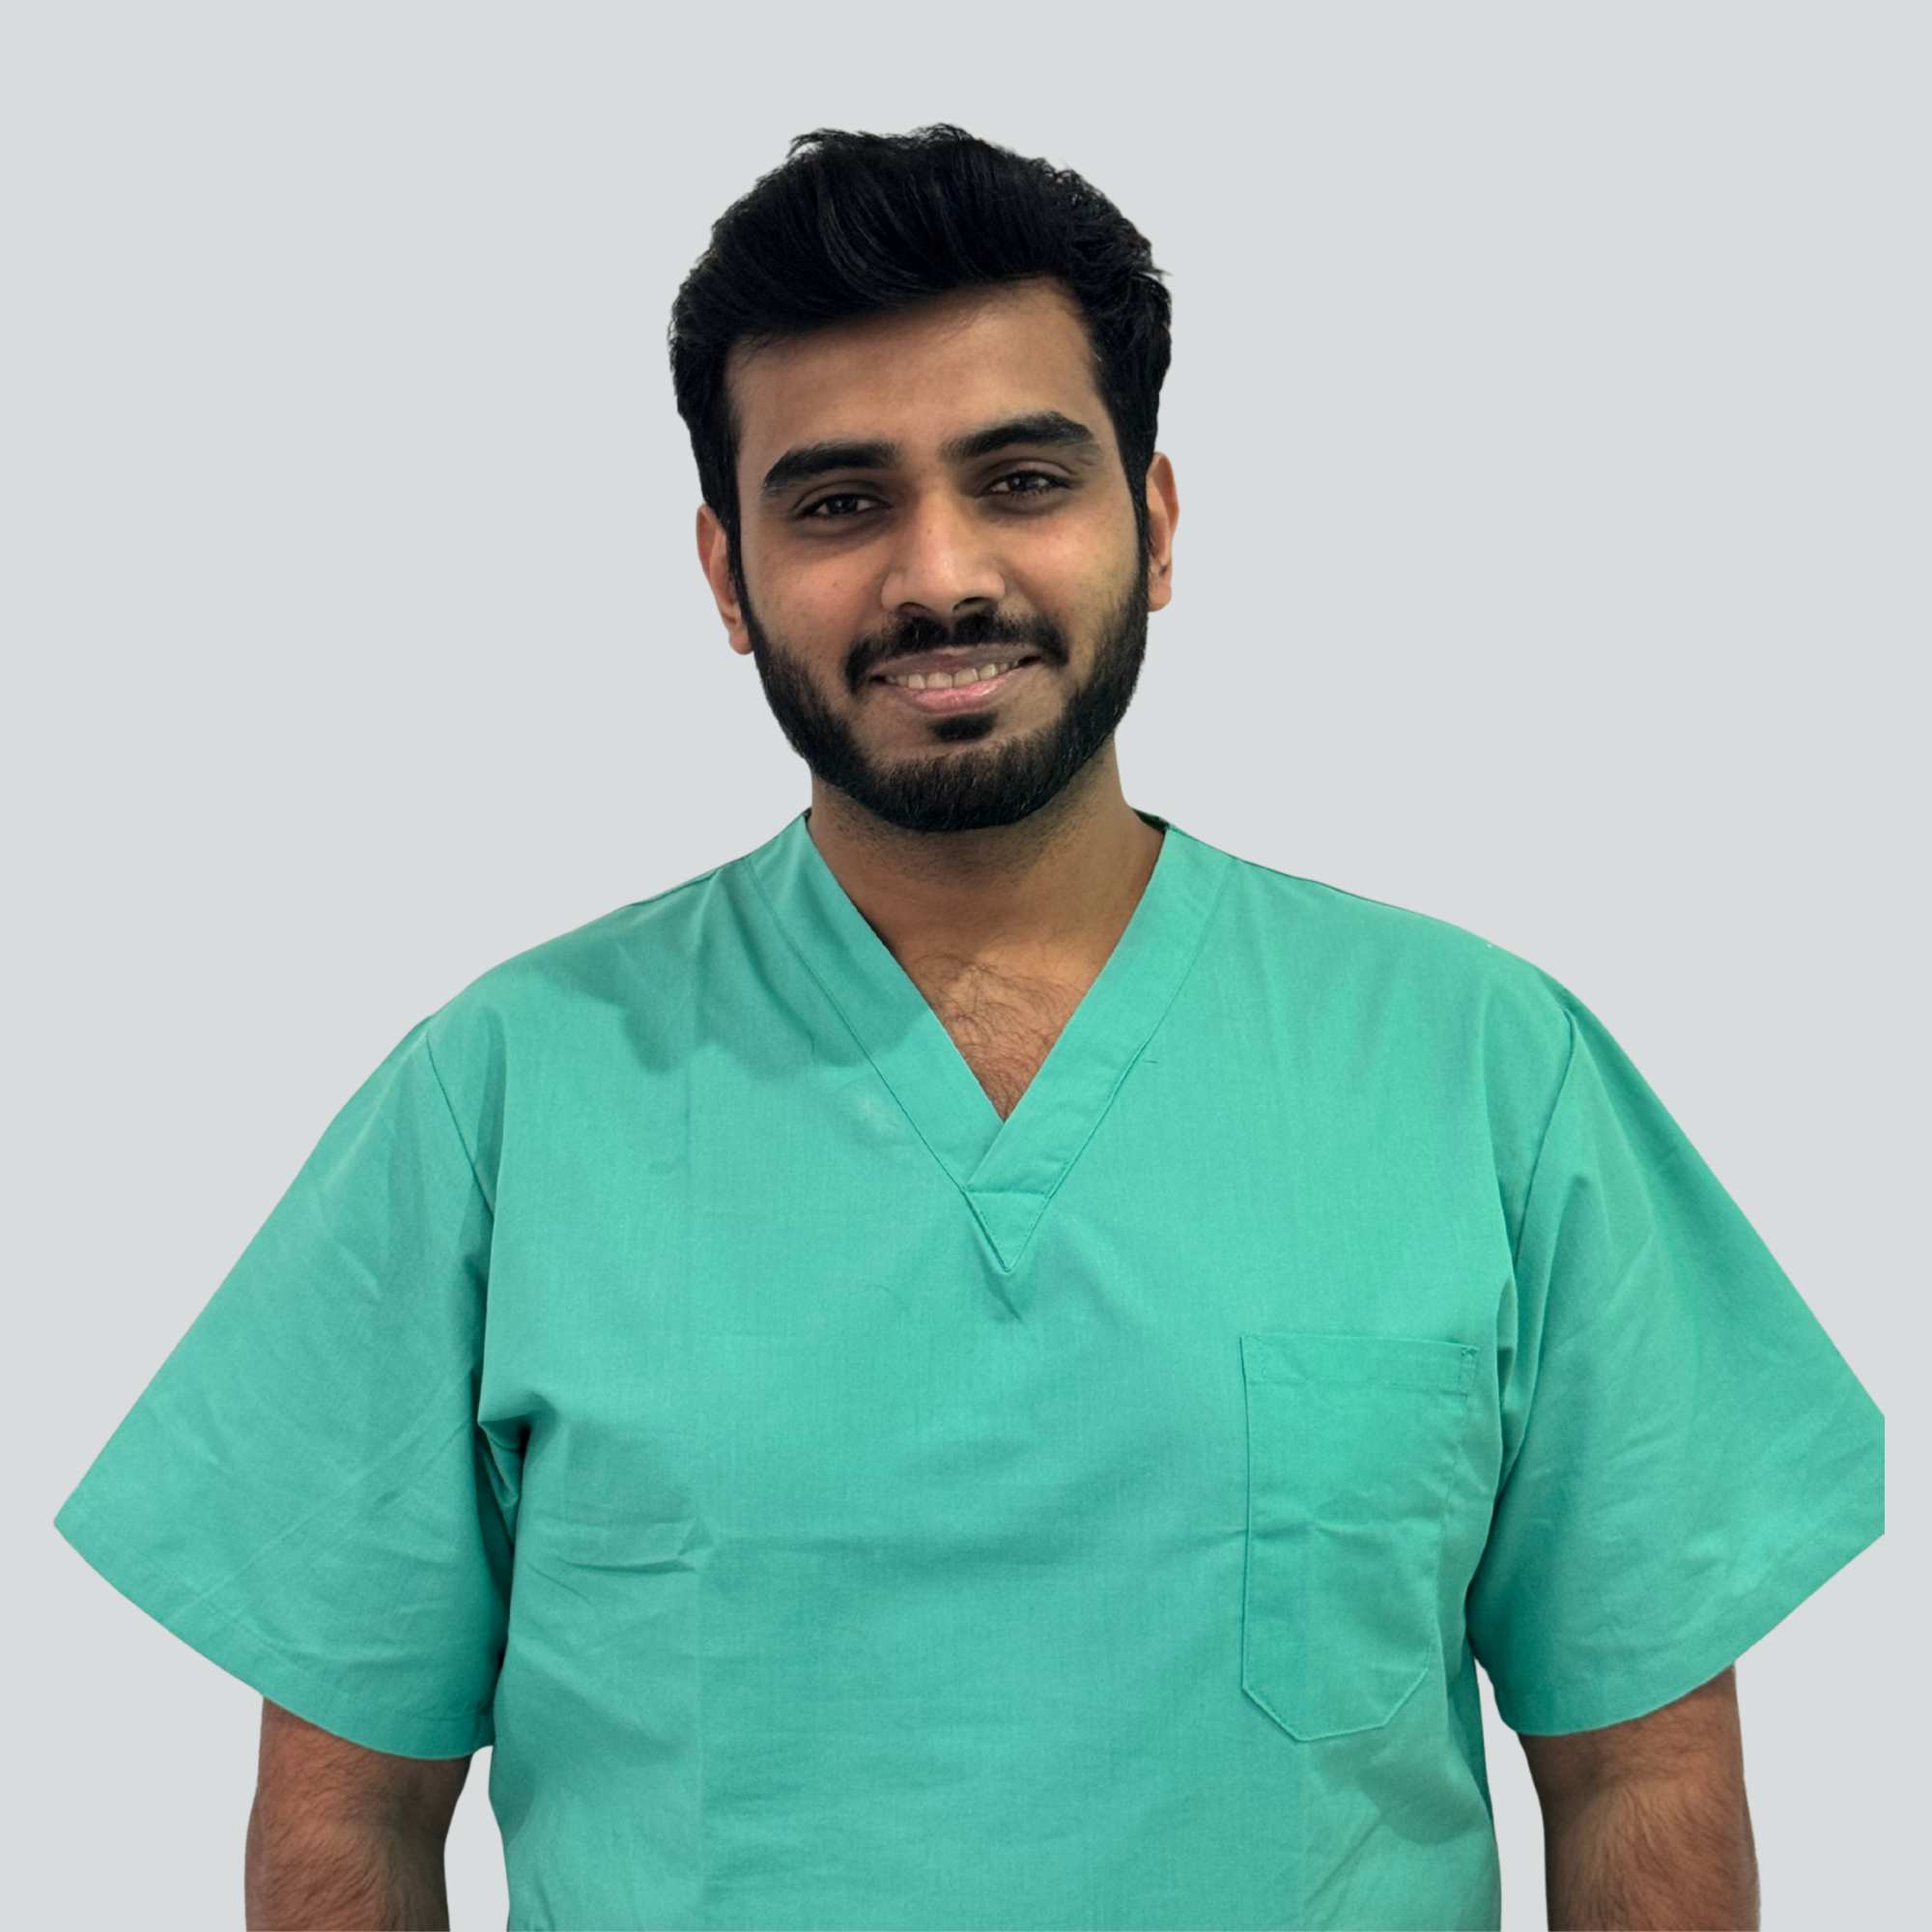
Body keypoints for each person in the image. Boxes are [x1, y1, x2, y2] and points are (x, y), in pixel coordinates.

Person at [54, 124, 1880, 1932]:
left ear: (1154, 524)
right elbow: (348, 1818)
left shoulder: (1480, 1071)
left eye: (1021, 478)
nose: (938, 574)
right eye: (838, 503)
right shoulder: (507, 1098)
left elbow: (1638, 1775)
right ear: (726, 574)